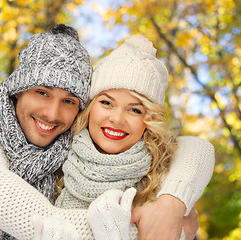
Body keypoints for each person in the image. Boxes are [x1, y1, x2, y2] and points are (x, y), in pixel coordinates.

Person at [0, 24, 213, 240]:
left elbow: (195, 147)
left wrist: (171, 204)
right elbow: (47, 226)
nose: (52, 114)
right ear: (16, 91)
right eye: (42, 92)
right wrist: (172, 227)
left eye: (68, 101)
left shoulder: (57, 153)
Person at [53, 35, 214, 240]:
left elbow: (198, 147)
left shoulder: (161, 177)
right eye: (107, 103)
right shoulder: (57, 156)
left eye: (135, 110)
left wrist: (171, 205)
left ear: (149, 120)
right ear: (90, 108)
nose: (117, 119)